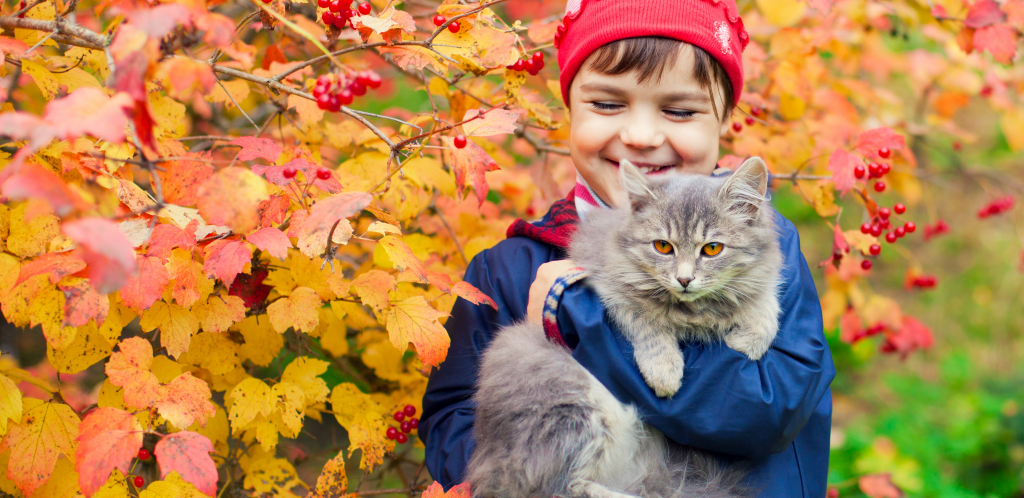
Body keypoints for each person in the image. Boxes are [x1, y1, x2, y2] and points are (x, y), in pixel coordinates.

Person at [419, 1, 836, 496]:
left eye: (679, 110)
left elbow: (771, 409)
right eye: (608, 104)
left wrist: (578, 317)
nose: (640, 137)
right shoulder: (508, 268)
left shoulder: (769, 249)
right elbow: (453, 417)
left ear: (724, 119)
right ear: (568, 108)